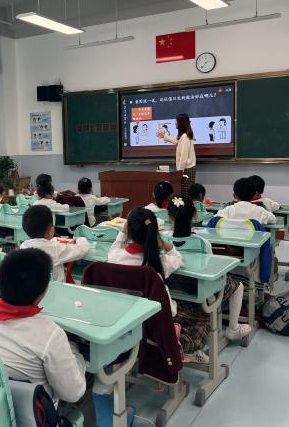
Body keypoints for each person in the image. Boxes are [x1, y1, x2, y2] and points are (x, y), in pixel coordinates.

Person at [0, 248, 87, 406]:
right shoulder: (50, 334)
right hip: (30, 414)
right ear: (43, 291)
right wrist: (76, 352)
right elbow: (73, 394)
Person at [169, 194, 252, 343]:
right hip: (200, 289)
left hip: (173, 288)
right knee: (238, 286)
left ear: (169, 216)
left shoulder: (164, 239)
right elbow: (211, 271)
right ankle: (233, 329)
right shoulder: (202, 242)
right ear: (194, 214)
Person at [107, 207, 182, 316]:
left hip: (126, 313)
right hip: (156, 317)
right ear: (155, 231)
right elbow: (177, 257)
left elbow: (115, 246)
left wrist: (123, 232)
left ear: (128, 231)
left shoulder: (115, 256)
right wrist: (166, 245)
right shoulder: (159, 262)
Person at [20, 205, 90, 282]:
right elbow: (82, 250)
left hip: (34, 288)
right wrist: (80, 239)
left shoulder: (23, 246)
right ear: (51, 230)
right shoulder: (55, 249)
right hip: (57, 288)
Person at [156, 113, 196, 193]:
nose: (175, 123)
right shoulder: (184, 136)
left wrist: (179, 173)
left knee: (185, 193)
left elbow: (183, 158)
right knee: (185, 193)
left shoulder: (185, 137)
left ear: (181, 123)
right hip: (186, 169)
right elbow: (176, 141)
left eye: (176, 121)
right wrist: (164, 136)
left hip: (186, 169)